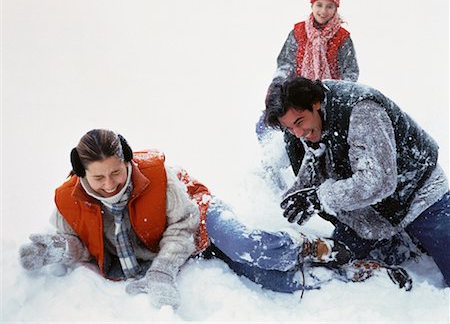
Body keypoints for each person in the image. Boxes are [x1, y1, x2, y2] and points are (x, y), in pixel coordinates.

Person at [19, 129, 357, 309]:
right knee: (272, 281)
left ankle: (311, 247)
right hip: (186, 247)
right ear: (81, 176)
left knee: (248, 247)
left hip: (200, 214)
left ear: (126, 163)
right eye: (98, 179)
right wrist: (58, 248)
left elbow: (183, 224)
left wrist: (163, 270)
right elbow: (85, 242)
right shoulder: (69, 200)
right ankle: (339, 279)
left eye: (117, 173)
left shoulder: (157, 177)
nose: (110, 185)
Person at [264, 76, 450, 287]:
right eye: (289, 129)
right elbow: (317, 156)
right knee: (338, 263)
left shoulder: (361, 111)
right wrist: (300, 192)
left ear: (315, 104)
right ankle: (396, 244)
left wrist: (319, 198)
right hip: (370, 213)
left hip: (419, 197)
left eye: (299, 123)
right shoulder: (310, 122)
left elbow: (378, 181)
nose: (298, 133)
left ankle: (411, 240)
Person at [256, 0, 359, 190]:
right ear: (312, 5)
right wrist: (276, 87)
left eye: (330, 6)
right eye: (319, 5)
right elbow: (285, 64)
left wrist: (335, 94)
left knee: (312, 135)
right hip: (294, 96)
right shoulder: (298, 32)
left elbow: (350, 72)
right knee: (267, 126)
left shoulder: (342, 38)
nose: (324, 11)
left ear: (336, 8)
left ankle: (317, 182)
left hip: (324, 99)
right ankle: (276, 179)